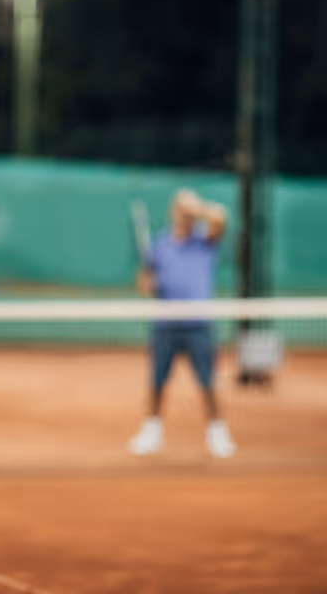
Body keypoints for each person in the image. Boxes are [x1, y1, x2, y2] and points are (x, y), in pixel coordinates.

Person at [127, 188, 236, 459]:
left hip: (198, 324)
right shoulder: (160, 244)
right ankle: (151, 432)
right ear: (173, 212)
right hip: (166, 324)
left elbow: (222, 217)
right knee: (157, 382)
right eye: (181, 209)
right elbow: (144, 280)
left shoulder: (205, 241)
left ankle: (216, 433)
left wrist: (196, 208)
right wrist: (148, 284)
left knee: (207, 382)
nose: (185, 215)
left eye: (190, 211)